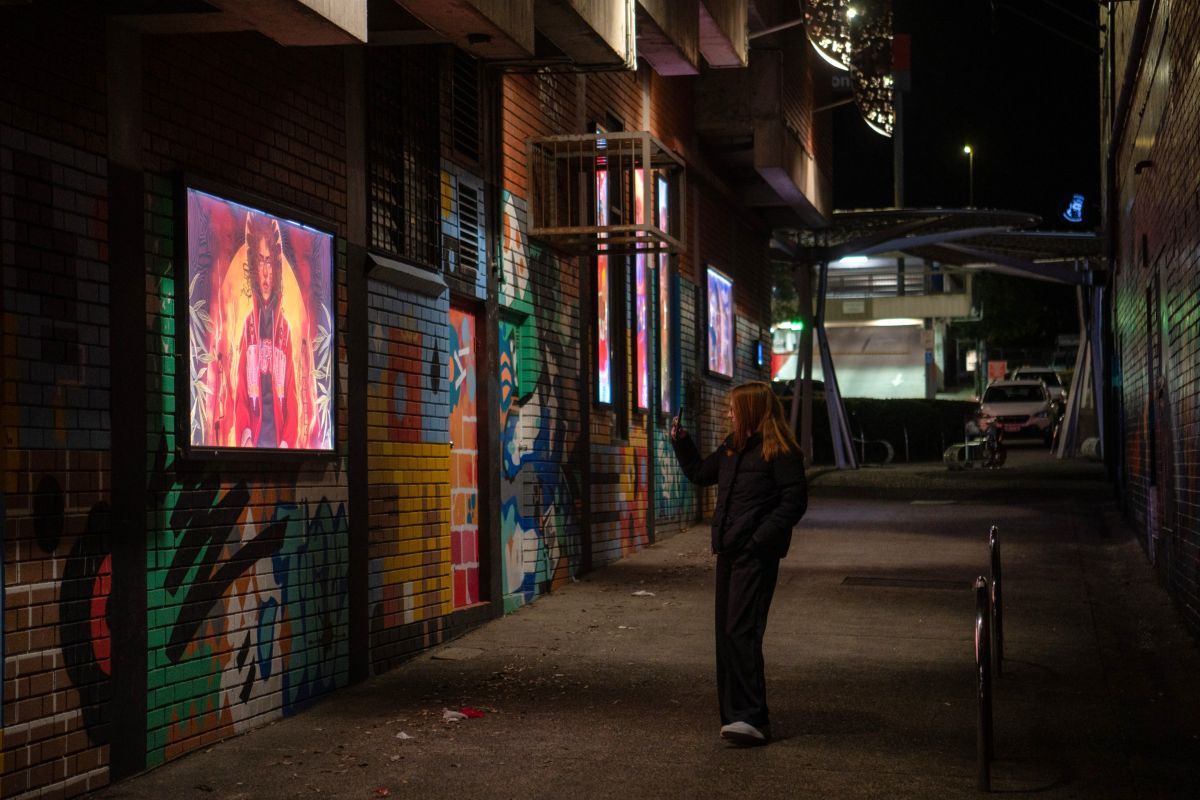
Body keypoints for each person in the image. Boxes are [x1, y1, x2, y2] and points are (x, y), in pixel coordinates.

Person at [670, 380, 807, 747]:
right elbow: (700, 473)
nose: (728, 412)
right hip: (729, 554)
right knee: (726, 635)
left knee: (742, 632)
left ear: (750, 409)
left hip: (756, 556)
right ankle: (734, 717)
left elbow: (794, 502)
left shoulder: (780, 450)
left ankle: (753, 719)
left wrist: (761, 538)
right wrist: (681, 441)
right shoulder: (732, 448)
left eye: (733, 407)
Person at [234, 212, 298, 448]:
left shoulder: (286, 332)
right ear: (252, 265)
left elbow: (291, 397)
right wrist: (247, 436)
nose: (265, 272)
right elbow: (241, 392)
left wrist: (286, 444)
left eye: (269, 261)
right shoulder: (248, 327)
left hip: (279, 444)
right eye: (260, 261)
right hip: (254, 443)